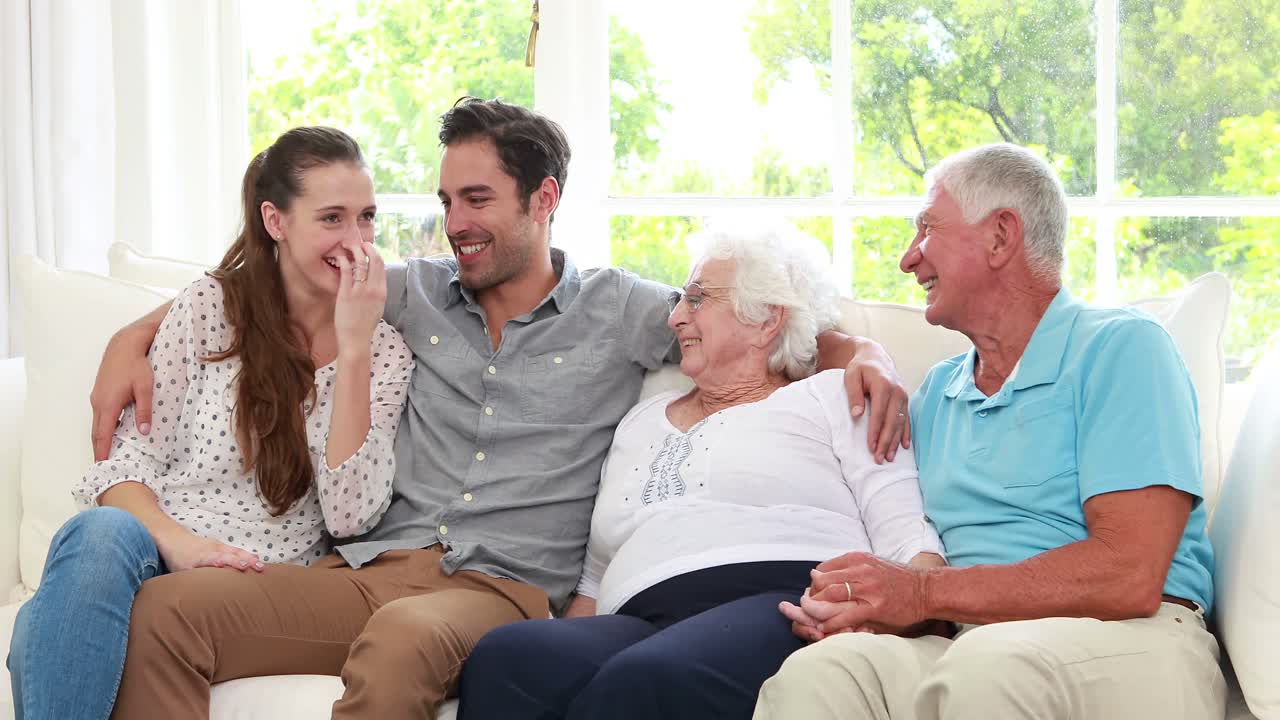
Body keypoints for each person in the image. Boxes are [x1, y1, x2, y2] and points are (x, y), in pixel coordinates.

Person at [90, 98, 913, 719]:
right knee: (165, 612)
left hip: (499, 587)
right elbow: (274, 279)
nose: (455, 225)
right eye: (446, 202)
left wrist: (866, 353)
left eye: (477, 200)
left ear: (543, 198)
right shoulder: (408, 293)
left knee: (403, 642)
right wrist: (133, 332)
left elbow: (771, 320)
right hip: (367, 567)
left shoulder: (622, 310)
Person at [754, 143, 1225, 720]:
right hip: (971, 644)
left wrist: (922, 594)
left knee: (989, 669)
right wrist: (876, 607)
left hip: (1137, 637)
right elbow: (935, 586)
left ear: (1001, 236)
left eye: (926, 229)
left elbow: (1128, 575)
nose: (909, 260)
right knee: (822, 676)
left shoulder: (1122, 348)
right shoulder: (936, 395)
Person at [456, 223, 945, 720]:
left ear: (765, 320)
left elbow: (910, 541)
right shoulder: (641, 420)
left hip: (784, 602)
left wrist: (891, 621)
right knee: (509, 658)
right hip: (641, 616)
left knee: (647, 680)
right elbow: (593, 581)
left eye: (695, 299)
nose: (673, 318)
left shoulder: (832, 396)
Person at [6, 126, 413, 720]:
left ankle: (42, 633)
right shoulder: (209, 309)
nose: (356, 241)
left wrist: (352, 350)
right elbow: (128, 463)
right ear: (276, 221)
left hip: (256, 582)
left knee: (33, 640)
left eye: (367, 218)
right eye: (332, 219)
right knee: (94, 535)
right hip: (154, 545)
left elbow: (351, 517)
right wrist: (182, 544)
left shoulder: (385, 353)